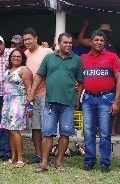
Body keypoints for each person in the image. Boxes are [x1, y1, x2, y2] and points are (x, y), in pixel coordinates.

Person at [29, 33, 83, 172]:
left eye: (70, 42)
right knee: (47, 133)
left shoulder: (76, 60)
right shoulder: (49, 58)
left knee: (65, 133)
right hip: (50, 102)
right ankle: (45, 162)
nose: (68, 45)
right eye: (65, 42)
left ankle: (59, 161)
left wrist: (77, 100)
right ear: (59, 43)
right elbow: (39, 76)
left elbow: (80, 82)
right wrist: (31, 93)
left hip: (68, 103)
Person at [78, 30, 120, 173]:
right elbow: (79, 80)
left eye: (101, 40)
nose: (99, 42)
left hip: (106, 98)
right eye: (96, 40)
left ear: (105, 42)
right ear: (90, 42)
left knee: (104, 132)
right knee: (89, 131)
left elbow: (119, 79)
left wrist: (116, 101)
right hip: (88, 98)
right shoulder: (83, 58)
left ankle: (105, 163)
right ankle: (89, 161)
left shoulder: (112, 57)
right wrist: (77, 98)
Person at [22, 28, 53, 164]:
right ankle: (38, 155)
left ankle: (46, 156)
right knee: (35, 127)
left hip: (46, 94)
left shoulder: (47, 51)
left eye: (29, 39)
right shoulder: (24, 54)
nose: (27, 41)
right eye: (25, 40)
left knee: (47, 127)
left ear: (36, 38)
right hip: (31, 96)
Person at [0, 49, 33, 168]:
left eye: (18, 56)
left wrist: (30, 106)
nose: (16, 58)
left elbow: (29, 89)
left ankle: (20, 158)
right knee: (9, 130)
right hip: (7, 101)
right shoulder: (8, 70)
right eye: (13, 56)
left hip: (18, 102)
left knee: (15, 130)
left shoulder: (24, 70)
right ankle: (13, 157)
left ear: (22, 58)